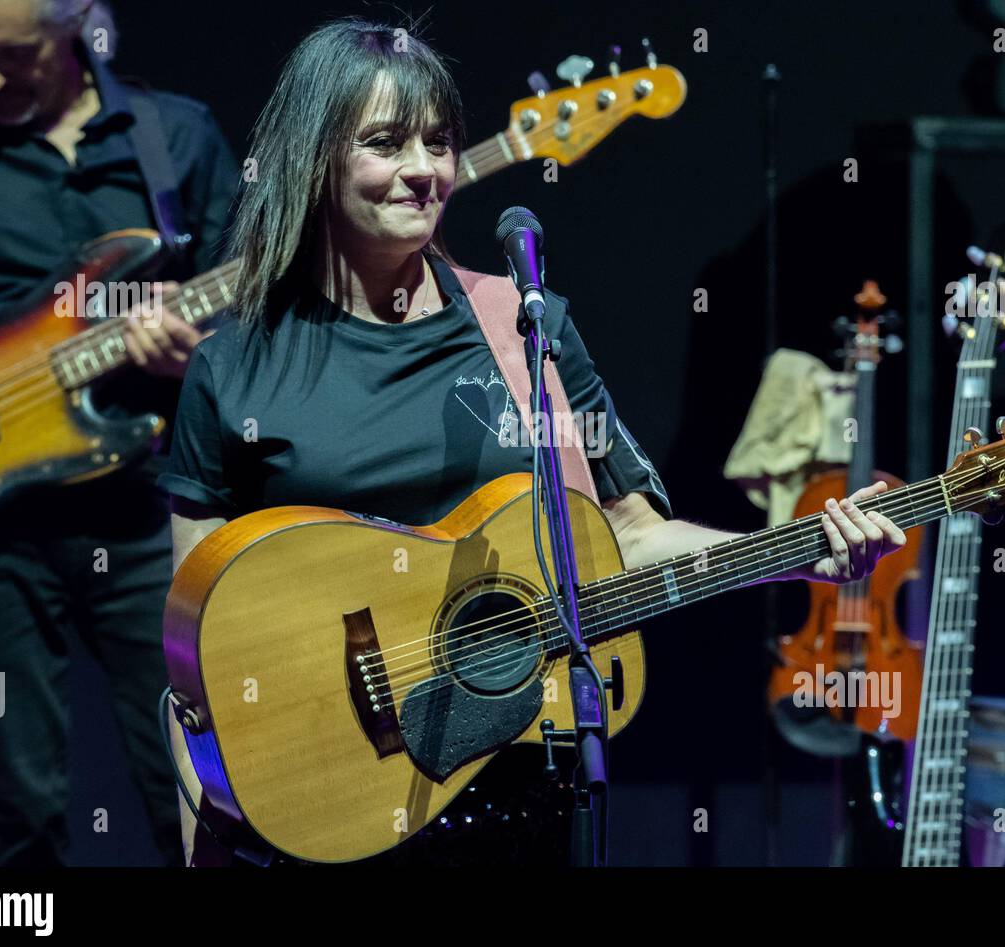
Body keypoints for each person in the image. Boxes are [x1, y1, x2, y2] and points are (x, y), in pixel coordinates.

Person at [162, 16, 906, 866]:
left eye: (439, 142)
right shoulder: (234, 368)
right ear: (314, 158)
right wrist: (205, 834)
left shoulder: (523, 329)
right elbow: (196, 655)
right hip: (323, 813)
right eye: (384, 143)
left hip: (515, 802)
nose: (423, 170)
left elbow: (626, 533)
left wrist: (797, 550)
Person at [0, 0, 238, 865]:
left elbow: (259, 333)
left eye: (15, 56)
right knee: (17, 816)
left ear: (78, 25)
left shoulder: (178, 138)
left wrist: (193, 359)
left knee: (204, 790)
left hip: (142, 515)